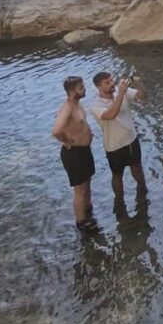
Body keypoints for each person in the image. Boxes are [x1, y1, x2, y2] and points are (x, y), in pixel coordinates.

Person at [88, 71, 147, 202]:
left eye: (111, 80)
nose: (112, 83)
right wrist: (120, 93)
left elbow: (141, 97)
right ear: (99, 87)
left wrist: (139, 84)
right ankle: (119, 200)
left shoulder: (121, 91)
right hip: (114, 146)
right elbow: (111, 115)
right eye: (107, 82)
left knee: (137, 167)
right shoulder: (96, 105)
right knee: (117, 175)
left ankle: (143, 191)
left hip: (131, 139)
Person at [50, 75, 96, 229]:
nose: (84, 90)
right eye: (81, 88)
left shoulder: (77, 103)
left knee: (87, 181)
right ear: (71, 91)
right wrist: (68, 141)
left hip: (84, 151)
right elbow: (56, 131)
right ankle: (81, 221)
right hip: (74, 154)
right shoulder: (67, 108)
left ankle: (88, 209)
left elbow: (79, 124)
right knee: (79, 188)